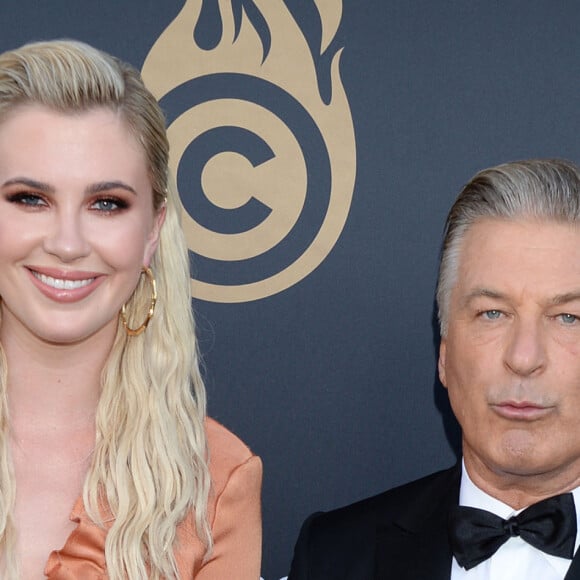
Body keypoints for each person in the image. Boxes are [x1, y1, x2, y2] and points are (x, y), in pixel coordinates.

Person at [0, 39, 262, 578]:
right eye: (30, 198)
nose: (68, 243)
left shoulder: (214, 481)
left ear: (152, 233)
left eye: (106, 204)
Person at [288, 158, 580, 580]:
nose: (524, 357)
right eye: (492, 313)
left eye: (567, 318)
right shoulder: (332, 555)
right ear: (444, 352)